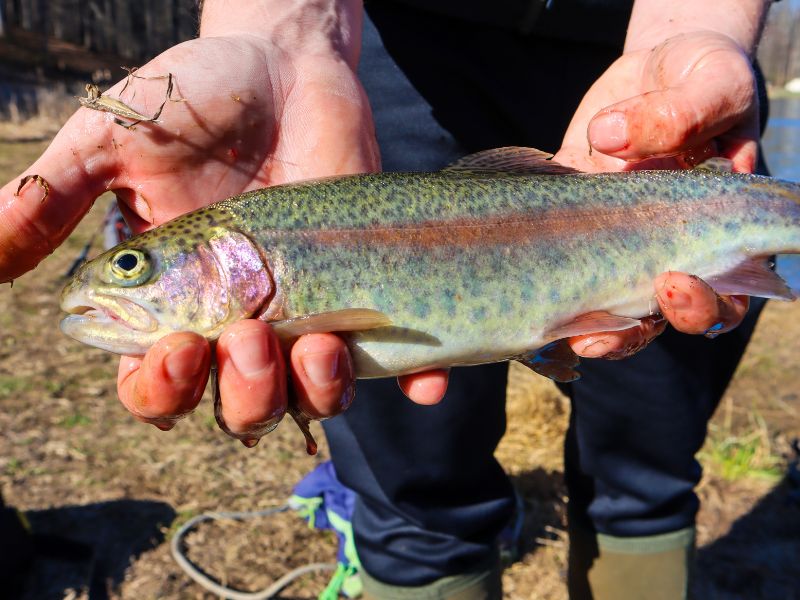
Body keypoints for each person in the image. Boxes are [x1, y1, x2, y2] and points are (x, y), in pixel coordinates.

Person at [0, 0, 772, 598]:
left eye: (134, 266)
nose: (119, 279)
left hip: (653, 61)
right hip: (390, 53)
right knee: (415, 494)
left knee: (649, 462)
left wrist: (700, 25)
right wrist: (278, 34)